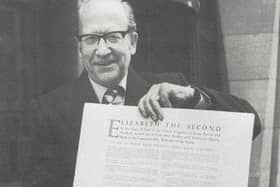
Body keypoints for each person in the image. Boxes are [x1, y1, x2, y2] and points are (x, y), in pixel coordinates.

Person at [22, 0, 261, 186]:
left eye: (113, 37)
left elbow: (251, 124)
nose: (102, 50)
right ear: (80, 47)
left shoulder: (170, 91)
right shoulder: (48, 111)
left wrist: (194, 97)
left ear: (133, 42)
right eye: (92, 39)